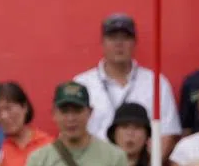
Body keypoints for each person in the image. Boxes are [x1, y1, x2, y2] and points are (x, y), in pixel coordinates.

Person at [72, 13, 181, 154]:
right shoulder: (82, 84)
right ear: (102, 42)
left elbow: (167, 133)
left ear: (135, 42)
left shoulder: (156, 83)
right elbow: (72, 132)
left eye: (125, 38)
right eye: (112, 38)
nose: (119, 44)